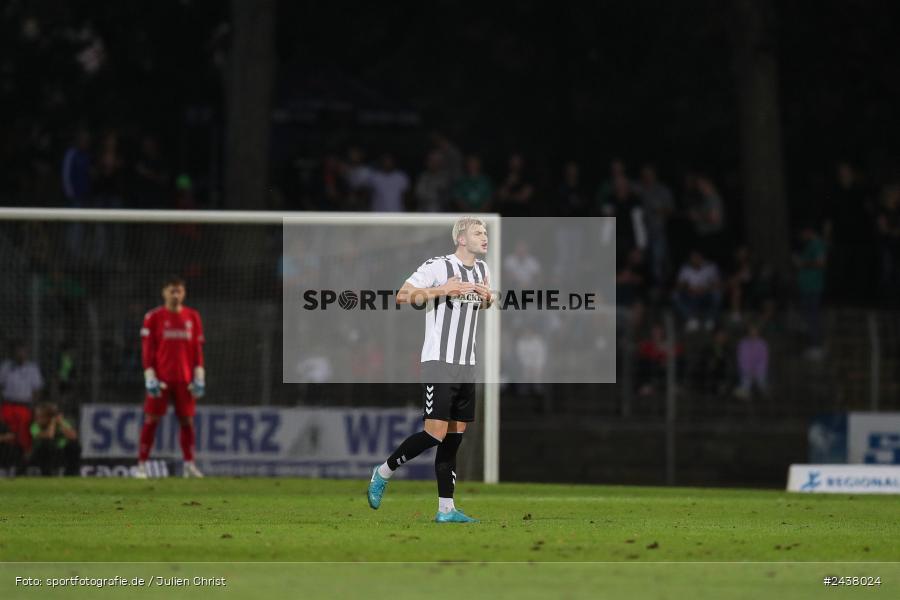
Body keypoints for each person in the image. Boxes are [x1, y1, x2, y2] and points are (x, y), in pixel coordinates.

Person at [367, 217, 493, 523]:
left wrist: (487, 299)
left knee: (454, 438)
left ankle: (446, 510)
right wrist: (442, 291)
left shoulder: (483, 270)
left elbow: (483, 304)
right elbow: (402, 295)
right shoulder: (438, 266)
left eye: (486, 232)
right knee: (434, 433)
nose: (485, 236)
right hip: (439, 361)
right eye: (478, 232)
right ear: (461, 239)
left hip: (467, 364)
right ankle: (383, 471)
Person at [137, 276, 206, 478]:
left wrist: (199, 376)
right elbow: (147, 350)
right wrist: (149, 375)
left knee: (187, 421)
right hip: (161, 380)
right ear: (164, 292)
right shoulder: (154, 317)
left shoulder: (193, 317)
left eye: (179, 291)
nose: (175, 295)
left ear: (184, 293)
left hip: (184, 380)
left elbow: (197, 351)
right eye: (172, 291)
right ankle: (141, 465)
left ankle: (189, 465)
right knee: (152, 420)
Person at [0, 342, 44, 455]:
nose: (20, 354)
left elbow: (36, 390)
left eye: (23, 351)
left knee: (24, 437)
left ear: (27, 353)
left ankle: (23, 465)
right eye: (18, 351)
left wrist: (34, 407)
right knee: (7, 435)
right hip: (8, 406)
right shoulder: (6, 367)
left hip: (24, 406)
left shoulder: (32, 368)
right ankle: (6, 462)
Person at [795, 225, 827, 360]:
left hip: (813, 287)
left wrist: (802, 263)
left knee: (813, 315)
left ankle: (816, 346)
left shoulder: (817, 244)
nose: (802, 237)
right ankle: (812, 345)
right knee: (808, 316)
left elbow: (821, 263)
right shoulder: (810, 245)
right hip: (806, 287)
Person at [673, 251, 721, 332]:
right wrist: (688, 288)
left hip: (706, 294)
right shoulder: (685, 269)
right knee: (675, 295)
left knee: (717, 294)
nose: (695, 260)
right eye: (693, 258)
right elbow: (679, 286)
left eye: (697, 257)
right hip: (690, 295)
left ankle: (710, 319)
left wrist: (705, 289)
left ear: (702, 257)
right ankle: (691, 318)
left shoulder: (710, 267)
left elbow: (717, 284)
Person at [29, 403, 81, 476]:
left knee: (74, 445)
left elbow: (74, 436)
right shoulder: (35, 426)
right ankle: (47, 474)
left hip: (61, 453)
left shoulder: (61, 423)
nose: (37, 419)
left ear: (48, 417)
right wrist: (52, 423)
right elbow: (49, 436)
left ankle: (71, 474)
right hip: (43, 455)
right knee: (47, 444)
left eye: (40, 417)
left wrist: (61, 423)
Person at [735, 325, 769, 398]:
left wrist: (756, 371)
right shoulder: (743, 344)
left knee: (762, 384)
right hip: (746, 371)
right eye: (751, 331)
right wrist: (748, 371)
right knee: (745, 385)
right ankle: (745, 391)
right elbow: (742, 360)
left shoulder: (763, 344)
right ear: (748, 332)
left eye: (755, 331)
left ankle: (760, 392)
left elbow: (763, 360)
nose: (753, 333)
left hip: (760, 371)